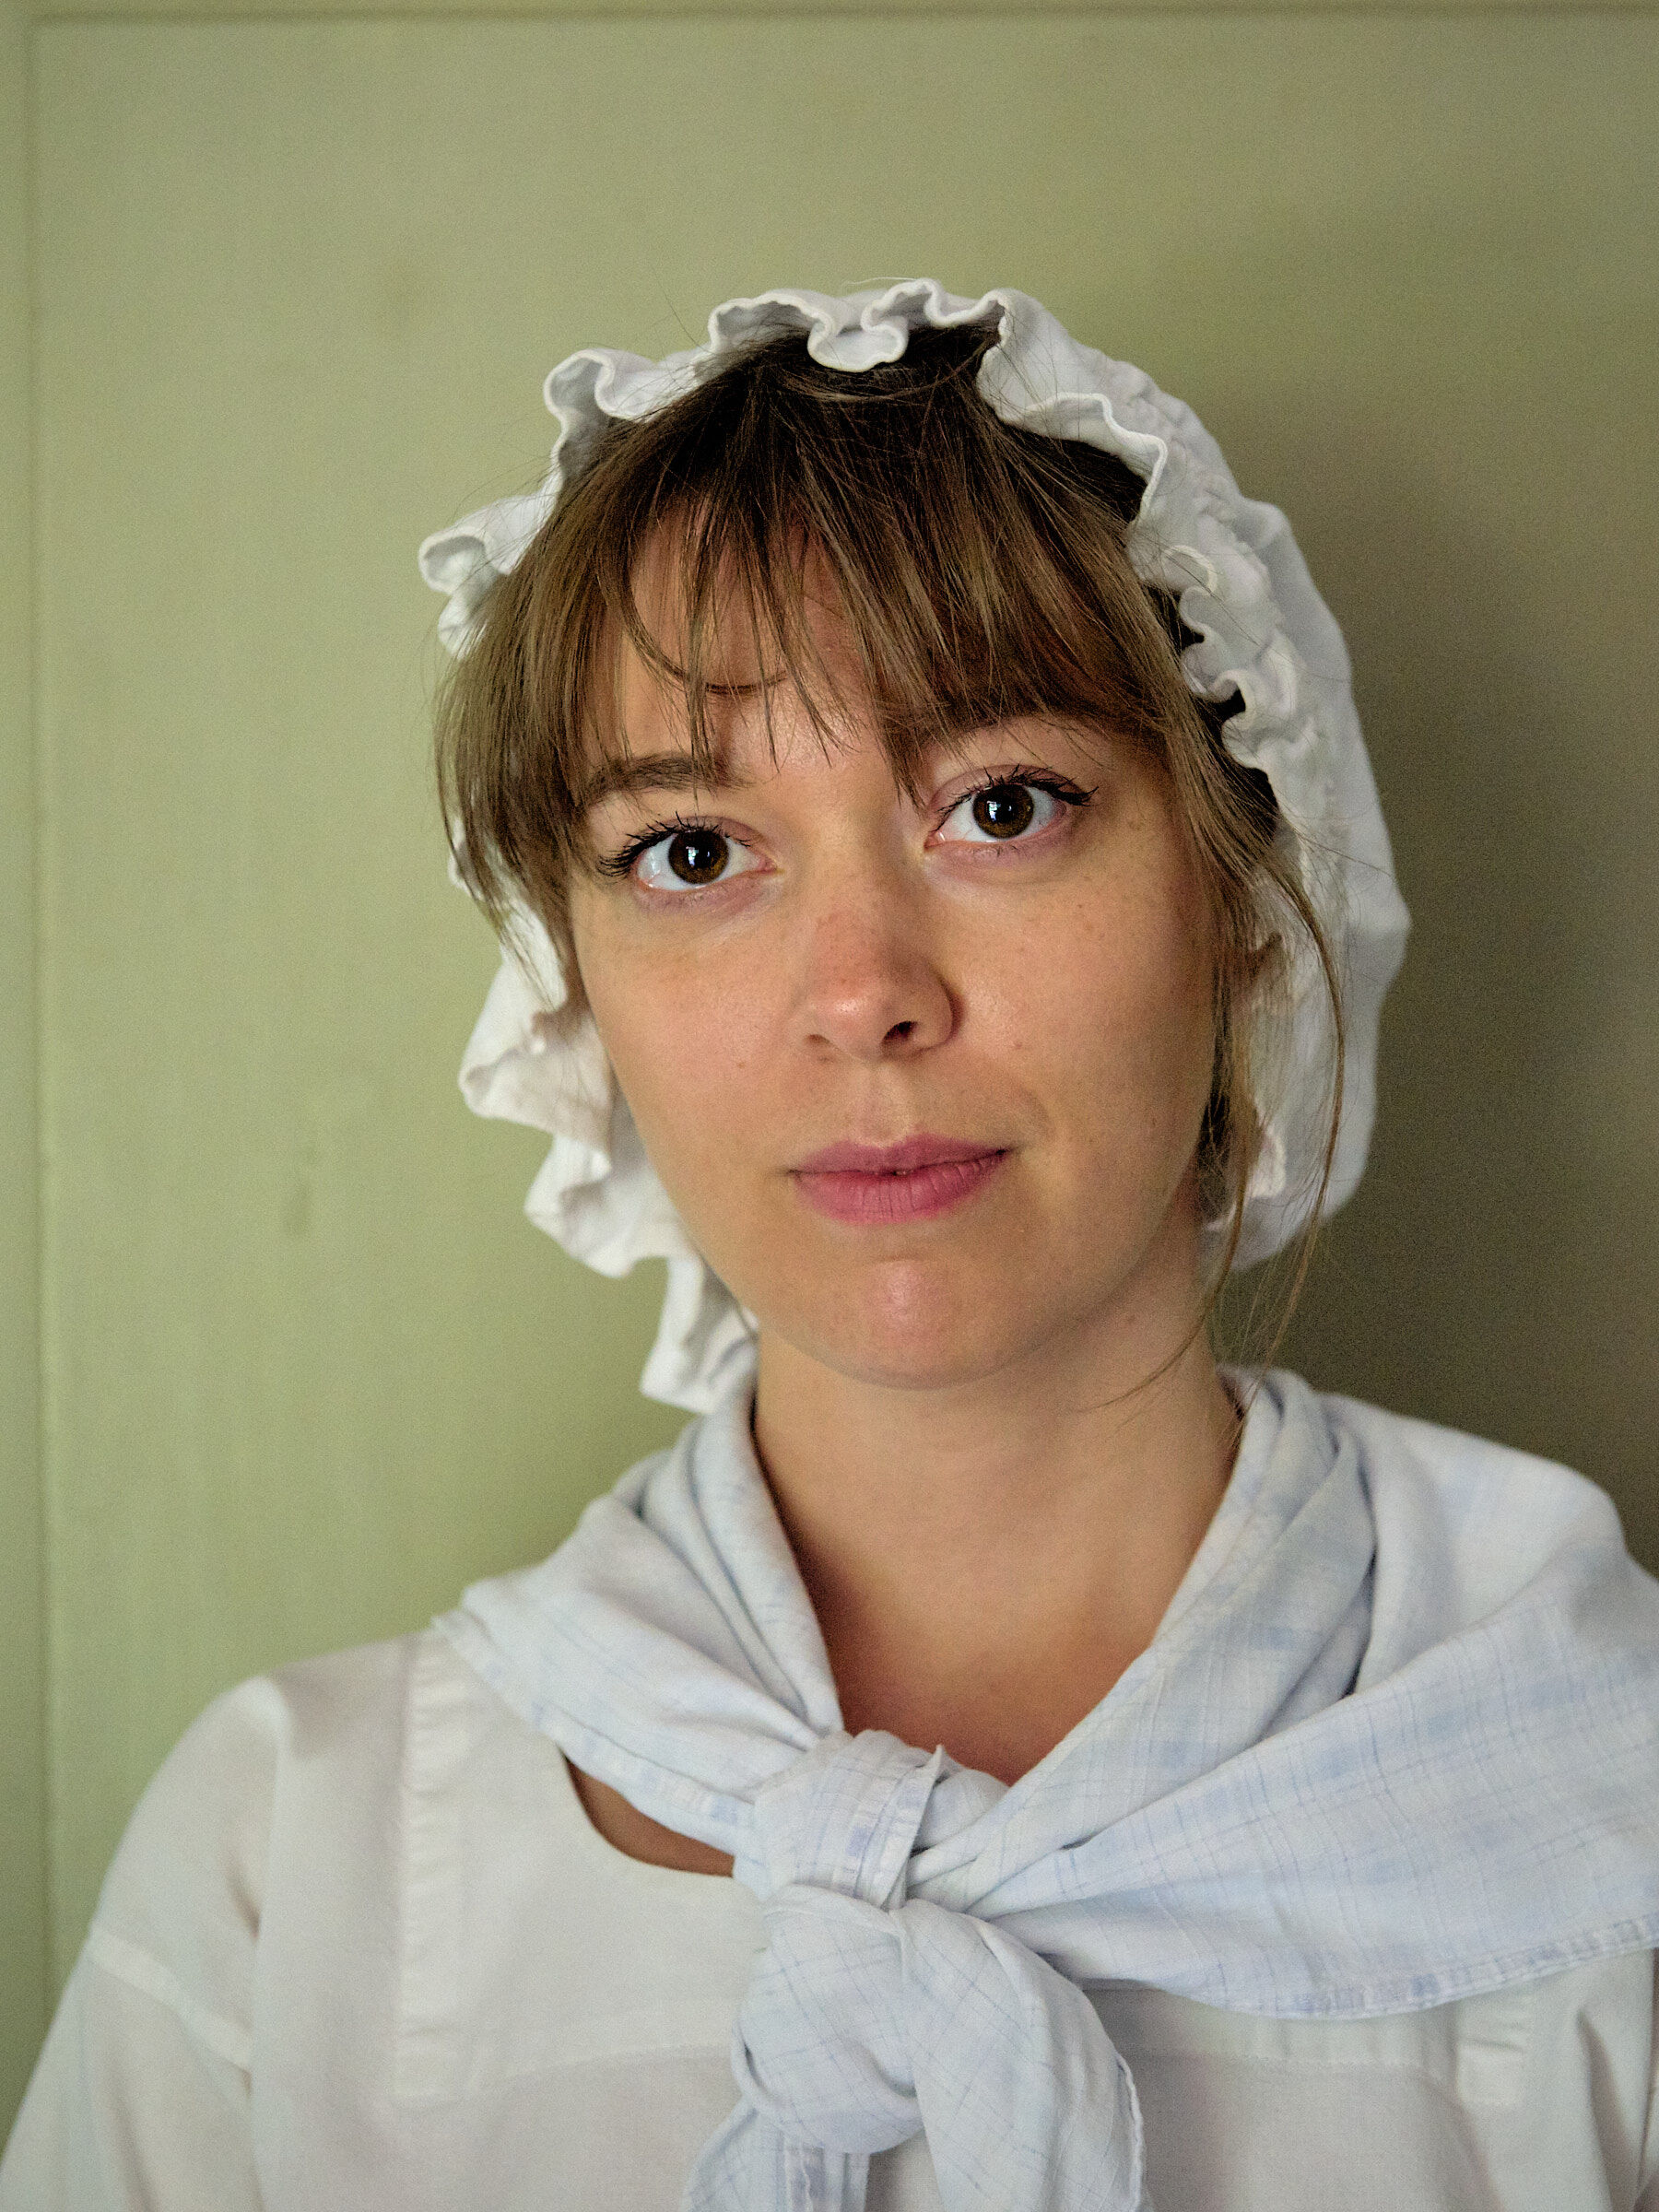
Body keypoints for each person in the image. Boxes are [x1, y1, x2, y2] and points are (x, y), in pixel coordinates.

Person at [5, 280, 1658, 2212]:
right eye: (695, 851)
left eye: (1003, 807)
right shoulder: (287, 1871)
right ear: (571, 978)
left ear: (1243, 893)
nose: (862, 991)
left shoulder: (1605, 1783)